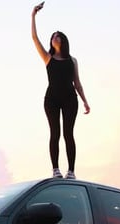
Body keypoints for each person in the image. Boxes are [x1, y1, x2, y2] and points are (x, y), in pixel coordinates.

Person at [31, 2, 90, 179]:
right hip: (52, 99)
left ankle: (71, 171)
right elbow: (34, 38)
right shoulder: (48, 58)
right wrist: (33, 15)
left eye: (58, 36)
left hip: (70, 99)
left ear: (63, 41)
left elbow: (77, 83)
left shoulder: (72, 60)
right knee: (55, 133)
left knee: (68, 134)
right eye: (53, 36)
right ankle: (55, 170)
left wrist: (85, 101)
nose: (54, 38)